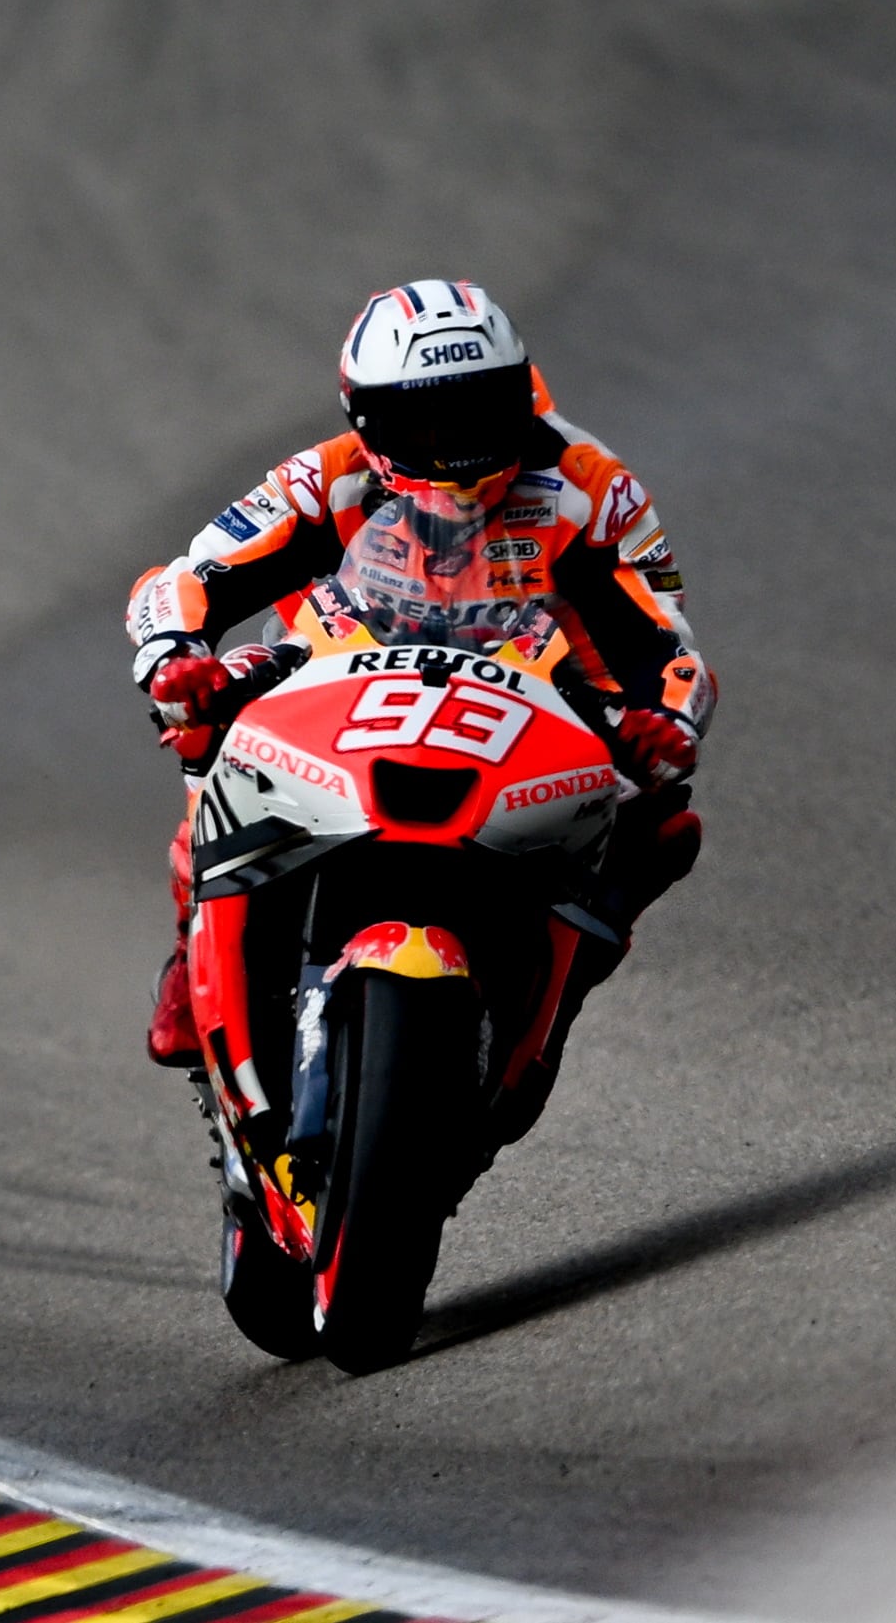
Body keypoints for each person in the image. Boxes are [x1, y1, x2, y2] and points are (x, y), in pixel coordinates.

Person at [122, 280, 715, 1090]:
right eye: (425, 424)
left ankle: (551, 998)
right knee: (204, 722)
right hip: (335, 683)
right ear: (366, 424)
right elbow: (184, 580)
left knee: (659, 817)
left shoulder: (589, 486)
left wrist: (662, 719)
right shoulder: (322, 479)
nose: (456, 449)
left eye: (479, 414)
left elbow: (664, 635)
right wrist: (174, 657)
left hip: (536, 701)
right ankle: (198, 936)